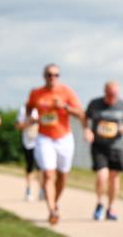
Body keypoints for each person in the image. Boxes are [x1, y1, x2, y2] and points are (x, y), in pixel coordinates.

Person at [26, 63, 84, 225]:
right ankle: (51, 209)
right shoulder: (36, 93)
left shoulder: (66, 92)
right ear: (44, 76)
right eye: (49, 74)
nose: (52, 77)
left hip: (64, 137)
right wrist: (31, 118)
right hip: (44, 137)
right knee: (49, 174)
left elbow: (80, 113)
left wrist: (64, 106)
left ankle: (55, 203)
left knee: (62, 175)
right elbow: (29, 107)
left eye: (56, 75)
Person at [84, 81, 123, 221]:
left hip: (116, 146)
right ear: (105, 92)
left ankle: (111, 207)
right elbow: (85, 118)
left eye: (115, 94)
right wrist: (87, 130)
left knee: (114, 178)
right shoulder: (94, 104)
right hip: (99, 145)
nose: (113, 97)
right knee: (102, 176)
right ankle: (100, 203)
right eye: (110, 94)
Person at [15, 105, 42, 201]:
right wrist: (30, 122)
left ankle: (41, 191)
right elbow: (18, 126)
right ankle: (28, 190)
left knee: (41, 168)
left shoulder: (41, 108)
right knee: (29, 167)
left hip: (40, 142)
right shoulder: (23, 109)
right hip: (28, 143)